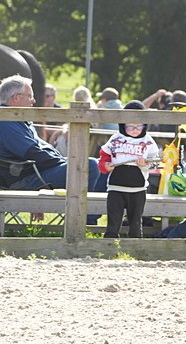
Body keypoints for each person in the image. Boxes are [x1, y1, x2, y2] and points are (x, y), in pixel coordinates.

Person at [0, 75, 106, 204]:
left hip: (34, 173)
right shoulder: (6, 122)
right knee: (89, 165)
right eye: (30, 96)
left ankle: (88, 214)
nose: (33, 101)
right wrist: (63, 162)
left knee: (100, 165)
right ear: (16, 97)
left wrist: (64, 161)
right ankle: (85, 218)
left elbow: (39, 149)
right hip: (24, 180)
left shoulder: (15, 118)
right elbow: (33, 152)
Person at [97, 101, 159, 239]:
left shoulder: (148, 142)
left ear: (144, 125)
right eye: (130, 126)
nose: (135, 129)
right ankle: (109, 243)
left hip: (137, 189)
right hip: (115, 188)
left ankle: (135, 245)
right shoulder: (116, 138)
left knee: (136, 222)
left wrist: (144, 165)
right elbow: (103, 156)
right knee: (113, 219)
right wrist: (104, 166)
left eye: (138, 126)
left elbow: (154, 163)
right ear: (122, 124)